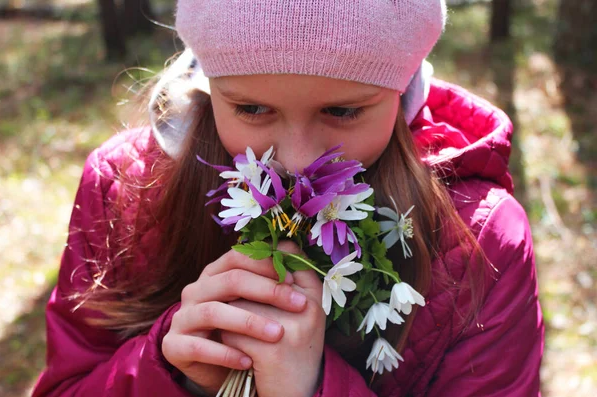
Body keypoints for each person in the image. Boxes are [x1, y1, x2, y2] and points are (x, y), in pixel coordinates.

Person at [32, 1, 544, 396]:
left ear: (403, 84)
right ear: (209, 83)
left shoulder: (481, 240)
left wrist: (313, 385)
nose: (296, 161)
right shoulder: (125, 186)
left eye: (343, 112)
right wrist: (171, 370)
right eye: (252, 108)